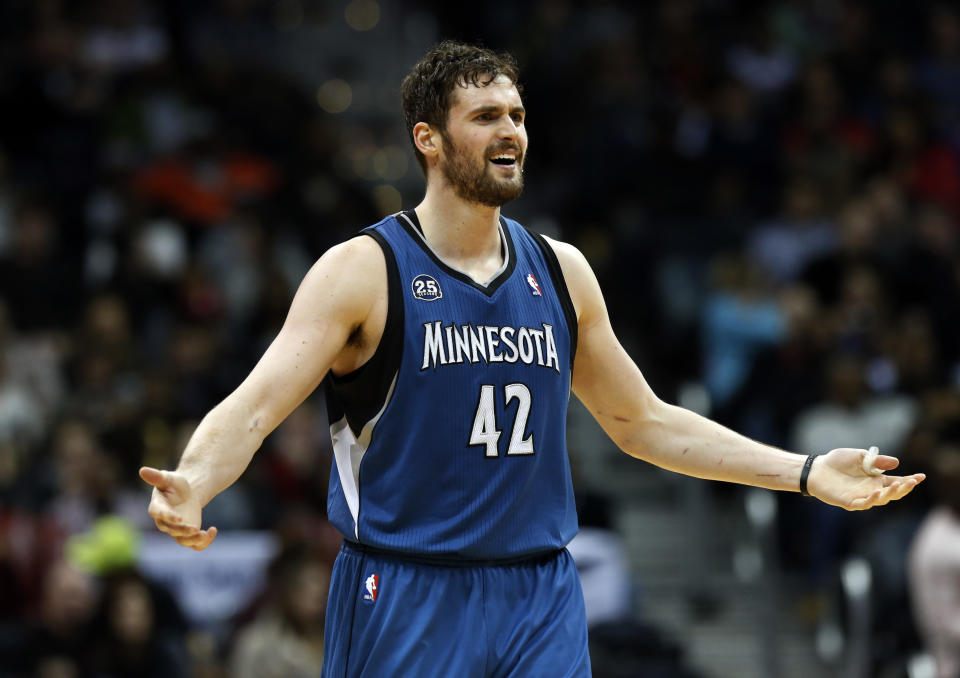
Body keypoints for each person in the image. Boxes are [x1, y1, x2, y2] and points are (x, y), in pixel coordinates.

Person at [140, 41, 925, 677]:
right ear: (430, 140)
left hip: (541, 589)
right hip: (408, 586)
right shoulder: (363, 272)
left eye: (516, 113)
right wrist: (197, 478)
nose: (511, 130)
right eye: (485, 116)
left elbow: (643, 422)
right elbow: (255, 405)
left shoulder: (561, 270)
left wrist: (804, 471)